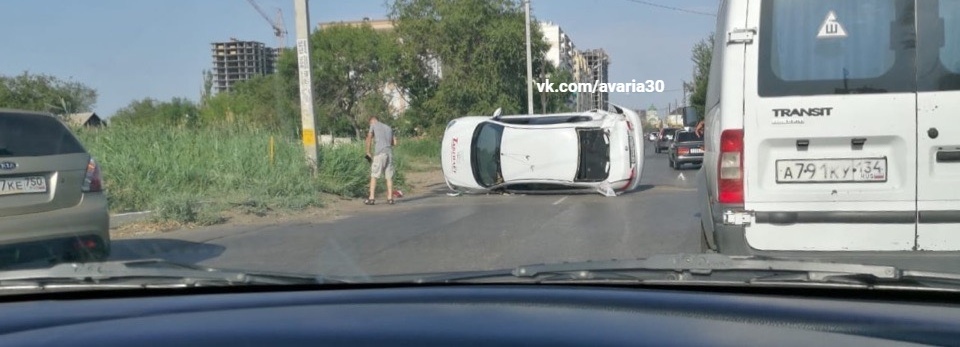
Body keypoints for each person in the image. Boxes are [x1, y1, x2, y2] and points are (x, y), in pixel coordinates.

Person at [365, 116, 397, 205]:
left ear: (372, 121)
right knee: (389, 176)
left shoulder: (373, 125)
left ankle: (371, 198)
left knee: (374, 175)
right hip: (389, 153)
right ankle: (390, 198)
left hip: (380, 153)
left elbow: (369, 138)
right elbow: (394, 143)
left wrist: (368, 152)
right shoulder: (388, 127)